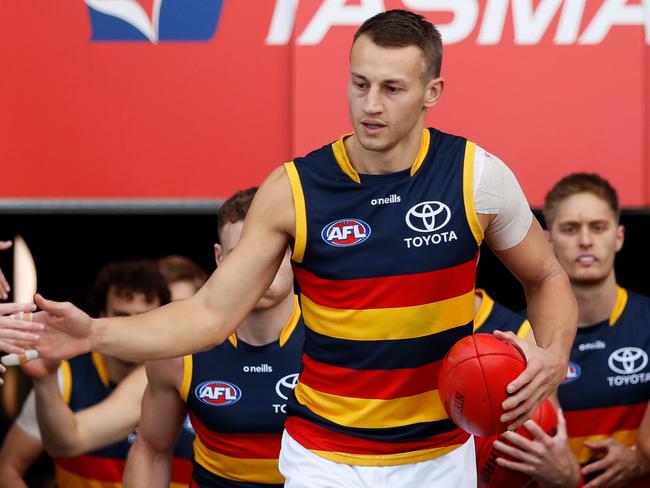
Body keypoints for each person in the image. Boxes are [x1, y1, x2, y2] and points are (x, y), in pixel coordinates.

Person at [6, 10, 577, 487]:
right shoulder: (293, 189)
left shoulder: (477, 176)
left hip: (438, 458)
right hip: (322, 458)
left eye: (392, 88)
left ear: (433, 92)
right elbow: (210, 314)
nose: (370, 104)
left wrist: (551, 357)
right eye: (359, 83)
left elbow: (548, 278)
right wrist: (93, 333)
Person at [124, 188, 304, 487]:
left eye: (270, 254)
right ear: (220, 258)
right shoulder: (180, 347)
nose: (257, 269)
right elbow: (151, 450)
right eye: (242, 256)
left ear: (292, 251)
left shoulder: (336, 335)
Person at [493, 173, 650, 487]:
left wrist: (640, 458)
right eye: (570, 229)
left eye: (598, 227)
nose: (586, 241)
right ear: (548, 241)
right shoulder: (522, 340)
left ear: (618, 237)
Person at [2, 260, 191, 488]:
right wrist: (46, 381)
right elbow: (59, 446)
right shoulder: (65, 377)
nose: (131, 326)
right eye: (121, 315)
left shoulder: (185, 373)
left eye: (142, 317)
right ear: (102, 316)